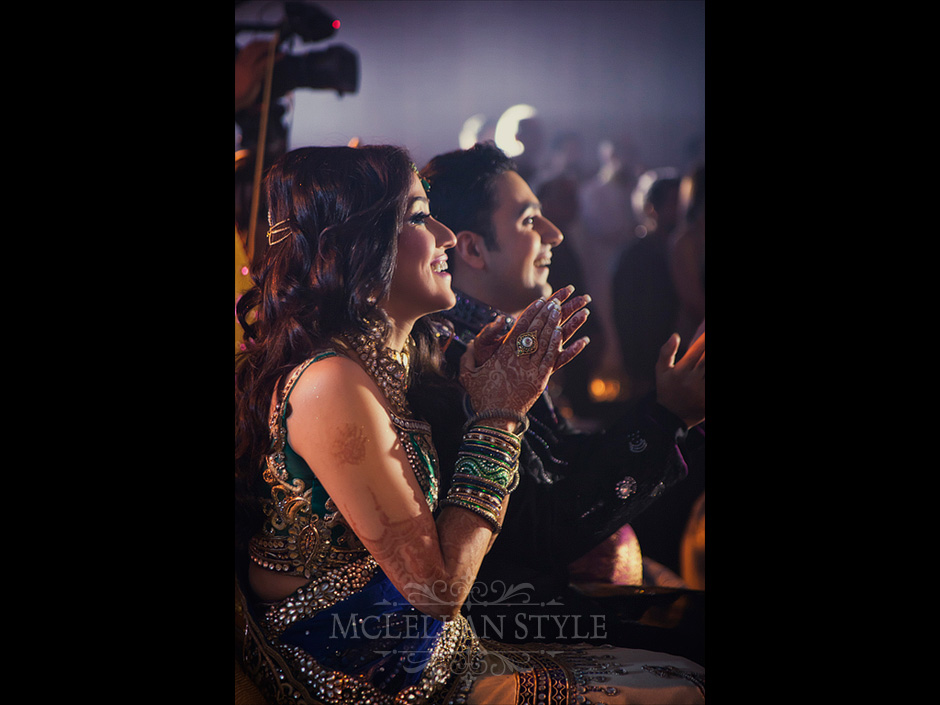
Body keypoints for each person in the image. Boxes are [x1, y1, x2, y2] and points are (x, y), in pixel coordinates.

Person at [235, 145, 706, 704]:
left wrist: (484, 397)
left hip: (440, 649)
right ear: (354, 249)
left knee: (684, 672)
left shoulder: (393, 361)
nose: (447, 235)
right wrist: (499, 416)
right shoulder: (331, 380)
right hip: (369, 671)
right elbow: (437, 591)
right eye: (416, 216)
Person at [419, 143, 706, 655]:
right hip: (513, 621)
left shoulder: (489, 340)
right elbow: (543, 527)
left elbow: (562, 459)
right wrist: (666, 418)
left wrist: (672, 415)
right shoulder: (453, 363)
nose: (554, 233)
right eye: (531, 220)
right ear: (473, 249)